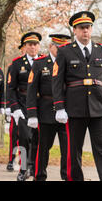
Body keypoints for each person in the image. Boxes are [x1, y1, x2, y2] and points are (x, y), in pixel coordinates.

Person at [52, 11, 102, 181]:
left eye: (88, 27)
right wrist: (59, 107)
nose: (85, 31)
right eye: (81, 28)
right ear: (75, 31)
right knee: (74, 151)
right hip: (74, 110)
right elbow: (57, 82)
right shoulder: (64, 52)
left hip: (99, 109)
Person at [26, 34, 71, 181]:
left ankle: (66, 176)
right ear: (51, 47)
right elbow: (31, 90)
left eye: (63, 47)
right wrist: (32, 113)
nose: (60, 50)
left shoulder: (69, 62)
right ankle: (39, 176)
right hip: (45, 111)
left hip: (66, 111)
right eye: (58, 47)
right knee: (43, 147)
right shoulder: (40, 63)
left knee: (68, 149)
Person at [8, 32, 42, 181]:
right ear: (25, 47)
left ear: (38, 46)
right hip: (23, 106)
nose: (33, 47)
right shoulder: (16, 64)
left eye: (35, 44)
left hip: (41, 106)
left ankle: (33, 168)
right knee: (24, 138)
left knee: (38, 139)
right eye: (30, 44)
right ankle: (23, 169)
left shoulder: (45, 61)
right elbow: (10, 88)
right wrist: (14, 108)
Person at [6, 42, 25, 172]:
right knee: (14, 135)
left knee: (27, 138)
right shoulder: (15, 65)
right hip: (17, 105)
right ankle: (11, 160)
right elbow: (10, 87)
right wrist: (10, 106)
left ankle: (25, 163)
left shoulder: (39, 61)